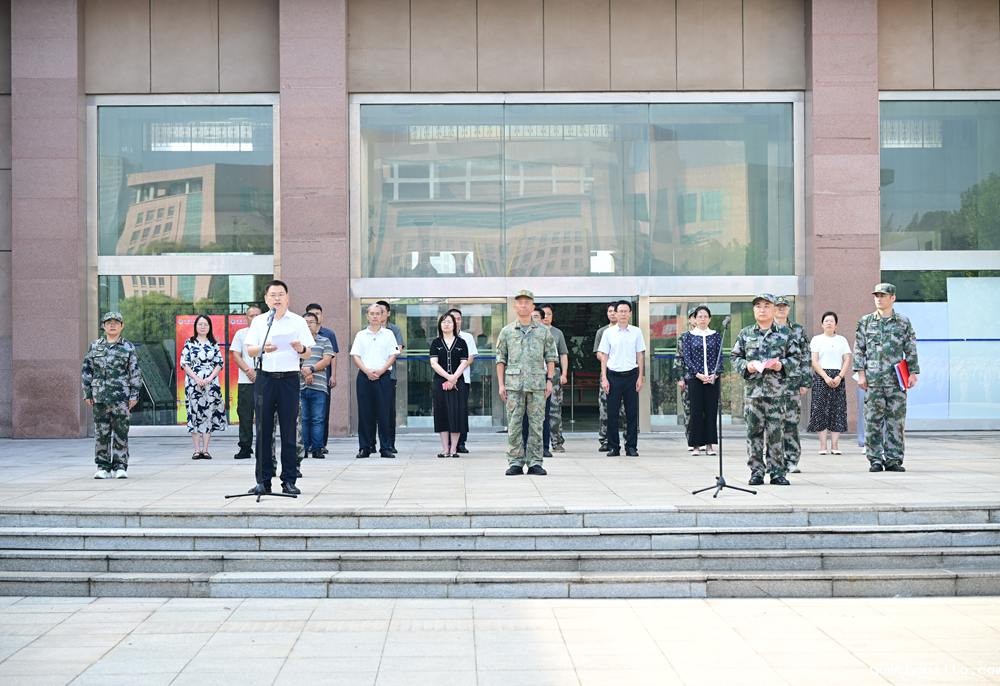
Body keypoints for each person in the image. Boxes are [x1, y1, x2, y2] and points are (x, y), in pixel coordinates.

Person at [243, 280, 314, 496]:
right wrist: (263, 348)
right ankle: (263, 481)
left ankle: (289, 480)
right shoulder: (260, 322)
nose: (277, 298)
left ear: (287, 298)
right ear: (266, 299)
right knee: (263, 431)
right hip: (265, 379)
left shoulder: (298, 321)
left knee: (289, 431)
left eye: (281, 294)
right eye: (273, 295)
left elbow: (308, 352)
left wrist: (300, 348)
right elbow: (250, 350)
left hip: (289, 380)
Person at [731, 293, 800, 486]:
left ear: (774, 309)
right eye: (758, 306)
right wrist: (746, 366)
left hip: (777, 393)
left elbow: (796, 358)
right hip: (753, 393)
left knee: (776, 433)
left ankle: (777, 472)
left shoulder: (786, 334)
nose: (762, 310)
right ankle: (756, 472)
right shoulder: (746, 333)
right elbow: (735, 357)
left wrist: (782, 365)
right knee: (753, 433)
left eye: (766, 306)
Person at [854, 282, 919, 472]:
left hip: (896, 380)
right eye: (877, 295)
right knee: (873, 421)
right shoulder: (866, 321)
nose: (879, 299)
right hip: (873, 380)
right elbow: (859, 349)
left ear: (893, 298)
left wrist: (913, 372)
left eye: (883, 295)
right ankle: (875, 459)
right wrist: (860, 374)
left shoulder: (903, 322)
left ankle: (893, 459)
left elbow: (910, 348)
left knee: (896, 422)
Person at [496, 289, 557, 476]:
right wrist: (501, 384)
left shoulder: (543, 331)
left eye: (527, 302)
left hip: (537, 385)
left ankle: (535, 462)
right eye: (520, 302)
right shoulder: (506, 331)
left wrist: (549, 380)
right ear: (515, 306)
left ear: (532, 307)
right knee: (514, 425)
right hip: (513, 386)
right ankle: (515, 462)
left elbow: (551, 357)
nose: (523, 305)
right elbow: (501, 359)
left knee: (536, 424)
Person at [82, 311, 142, 479]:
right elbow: (87, 370)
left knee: (121, 431)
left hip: (121, 397)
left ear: (122, 326)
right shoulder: (95, 346)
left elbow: (135, 372)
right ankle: (103, 466)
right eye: (109, 323)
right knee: (101, 432)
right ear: (103, 326)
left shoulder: (128, 347)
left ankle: (120, 466)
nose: (112, 325)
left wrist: (134, 394)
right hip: (100, 396)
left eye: (116, 322)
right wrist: (87, 393)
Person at [598, 300, 646, 457]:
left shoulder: (636, 332)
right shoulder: (608, 333)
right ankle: (614, 447)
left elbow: (640, 355)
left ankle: (631, 446)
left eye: (626, 311)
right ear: (616, 313)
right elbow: (604, 356)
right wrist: (604, 378)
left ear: (630, 313)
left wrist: (640, 377)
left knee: (631, 414)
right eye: (620, 311)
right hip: (613, 376)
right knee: (612, 414)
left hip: (631, 375)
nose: (623, 314)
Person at [350, 303, 399, 458]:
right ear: (367, 316)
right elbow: (356, 356)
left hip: (383, 377)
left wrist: (381, 370)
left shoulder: (389, 334)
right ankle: (365, 447)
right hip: (364, 377)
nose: (375, 316)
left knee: (384, 413)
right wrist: (367, 371)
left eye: (378, 313)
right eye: (372, 313)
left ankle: (386, 447)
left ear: (383, 315)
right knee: (365, 413)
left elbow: (393, 355)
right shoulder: (360, 335)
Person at [179, 314, 226, 460]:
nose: (203, 327)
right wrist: (196, 378)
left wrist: (209, 378)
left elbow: (219, 363)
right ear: (195, 326)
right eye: (200, 324)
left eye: (206, 324)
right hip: (193, 384)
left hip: (211, 384)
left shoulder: (213, 343)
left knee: (208, 414)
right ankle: (196, 450)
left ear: (210, 327)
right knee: (194, 413)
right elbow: (184, 363)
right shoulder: (189, 342)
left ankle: (205, 450)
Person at [773, 296, 811, 473]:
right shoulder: (766, 329)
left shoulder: (798, 330)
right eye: (778, 306)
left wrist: (805, 381)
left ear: (789, 309)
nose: (781, 309)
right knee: (773, 424)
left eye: (784, 306)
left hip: (792, 383)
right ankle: (775, 460)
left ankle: (792, 460)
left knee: (791, 422)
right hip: (771, 384)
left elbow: (806, 356)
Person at [808, 311, 852, 454]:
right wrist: (825, 376)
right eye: (826, 321)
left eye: (831, 321)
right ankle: (822, 446)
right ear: (822, 324)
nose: (829, 323)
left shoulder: (842, 340)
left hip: (838, 377)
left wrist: (840, 376)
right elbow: (814, 361)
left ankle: (835, 445)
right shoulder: (816, 339)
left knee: (837, 409)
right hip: (821, 377)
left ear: (836, 325)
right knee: (820, 410)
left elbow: (847, 359)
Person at [681, 305, 722, 456]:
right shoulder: (689, 336)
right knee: (696, 412)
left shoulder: (715, 335)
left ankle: (710, 445)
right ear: (695, 319)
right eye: (700, 316)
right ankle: (696, 445)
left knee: (711, 411)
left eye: (705, 316)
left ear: (710, 319)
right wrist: (697, 374)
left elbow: (720, 356)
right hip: (695, 378)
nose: (702, 319)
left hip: (712, 379)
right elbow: (687, 357)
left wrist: (715, 374)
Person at [429, 313, 470, 457]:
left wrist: (454, 378)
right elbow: (433, 363)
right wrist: (448, 377)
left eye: (449, 322)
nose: (446, 324)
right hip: (440, 382)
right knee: (442, 414)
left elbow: (464, 362)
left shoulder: (461, 342)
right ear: (440, 325)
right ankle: (445, 449)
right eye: (443, 322)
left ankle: (453, 449)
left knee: (456, 414)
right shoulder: (435, 343)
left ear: (454, 325)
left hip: (458, 382)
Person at [304, 303, 339, 456]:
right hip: (301, 385)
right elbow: (294, 360)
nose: (309, 324)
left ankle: (318, 447)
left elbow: (329, 358)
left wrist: (311, 370)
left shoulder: (326, 338)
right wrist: (306, 374)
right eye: (306, 321)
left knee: (319, 418)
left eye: (312, 321)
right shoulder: (298, 342)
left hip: (320, 384)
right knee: (304, 419)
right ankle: (304, 448)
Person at [230, 305, 261, 460]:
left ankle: (263, 447)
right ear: (246, 318)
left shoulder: (267, 333)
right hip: (245, 381)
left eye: (257, 315)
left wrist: (258, 373)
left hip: (264, 380)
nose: (254, 318)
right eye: (251, 315)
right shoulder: (241, 334)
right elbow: (236, 354)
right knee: (245, 415)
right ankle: (245, 447)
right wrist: (249, 371)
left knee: (264, 416)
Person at [521, 306, 553, 454]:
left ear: (541, 319)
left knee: (542, 416)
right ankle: (524, 446)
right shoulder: (521, 333)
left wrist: (549, 380)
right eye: (531, 316)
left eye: (536, 317)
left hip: (541, 380)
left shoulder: (546, 334)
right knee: (524, 416)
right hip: (523, 380)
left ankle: (544, 447)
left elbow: (551, 359)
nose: (533, 319)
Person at [446, 308, 477, 453]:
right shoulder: (442, 337)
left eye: (458, 318)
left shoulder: (467, 337)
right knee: (447, 411)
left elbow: (470, 358)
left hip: (462, 379)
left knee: (461, 410)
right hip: (445, 379)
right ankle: (448, 443)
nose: (456, 321)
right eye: (453, 318)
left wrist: (456, 374)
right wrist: (449, 376)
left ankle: (461, 442)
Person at [594, 302, 624, 452]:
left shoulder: (630, 331)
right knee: (605, 408)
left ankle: (626, 439)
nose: (612, 313)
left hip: (624, 373)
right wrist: (610, 360)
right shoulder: (602, 332)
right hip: (607, 373)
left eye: (614, 311)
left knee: (624, 409)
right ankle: (605, 440)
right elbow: (599, 353)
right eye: (610, 311)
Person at [376, 300, 405, 454]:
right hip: (370, 375)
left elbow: (397, 350)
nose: (377, 315)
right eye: (375, 312)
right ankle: (370, 444)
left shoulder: (394, 330)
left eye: (381, 312)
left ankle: (389, 444)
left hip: (389, 375)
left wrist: (383, 365)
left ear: (387, 313)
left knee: (388, 412)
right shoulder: (366, 331)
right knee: (371, 411)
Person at [541, 304, 569, 454]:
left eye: (549, 314)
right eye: (543, 314)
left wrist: (564, 373)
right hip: (537, 373)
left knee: (555, 409)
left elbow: (563, 354)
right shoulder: (534, 332)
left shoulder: (557, 333)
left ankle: (557, 441)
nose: (546, 317)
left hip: (555, 373)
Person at [676, 308, 697, 451]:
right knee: (689, 410)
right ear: (690, 320)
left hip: (705, 380)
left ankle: (703, 440)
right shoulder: (684, 337)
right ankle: (691, 440)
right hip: (688, 379)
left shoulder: (710, 336)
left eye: (700, 316)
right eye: (694, 316)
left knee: (704, 411)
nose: (697, 319)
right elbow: (679, 358)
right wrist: (680, 378)